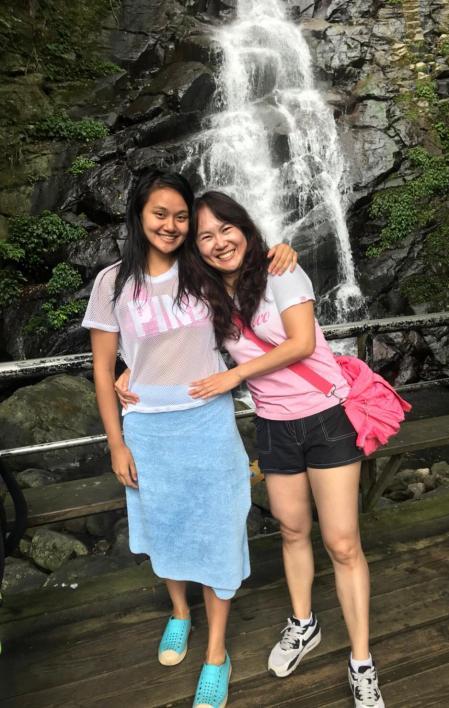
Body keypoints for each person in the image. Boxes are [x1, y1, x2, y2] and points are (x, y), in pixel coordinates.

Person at [82, 170, 296, 708]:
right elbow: (103, 367)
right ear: (138, 216)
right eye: (161, 214)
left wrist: (282, 252)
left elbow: (249, 269)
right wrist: (116, 443)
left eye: (182, 217)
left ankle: (217, 654)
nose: (173, 226)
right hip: (148, 430)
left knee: (219, 530)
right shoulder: (112, 283)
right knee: (167, 526)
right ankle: (179, 613)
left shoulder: (201, 269)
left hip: (207, 423)